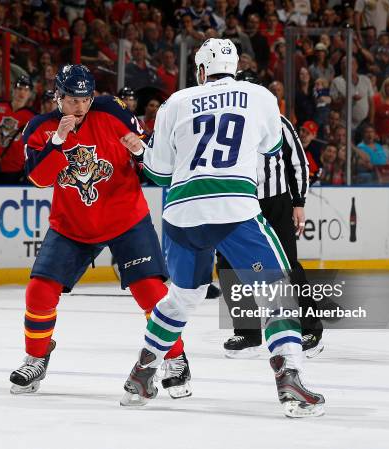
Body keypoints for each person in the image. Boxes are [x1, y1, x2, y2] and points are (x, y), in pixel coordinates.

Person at [121, 39, 324, 418]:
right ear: (235, 67)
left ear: (200, 71)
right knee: (276, 288)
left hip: (181, 214)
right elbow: (270, 147)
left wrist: (139, 151)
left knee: (183, 297)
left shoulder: (175, 102)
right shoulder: (259, 96)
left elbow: (159, 173)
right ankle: (290, 378)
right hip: (233, 207)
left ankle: (142, 372)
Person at [9, 64, 191, 400]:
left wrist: (140, 149)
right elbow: (39, 178)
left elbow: (150, 157)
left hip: (126, 218)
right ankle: (36, 356)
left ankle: (176, 357)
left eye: (85, 99)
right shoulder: (39, 128)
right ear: (57, 97)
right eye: (72, 100)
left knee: (149, 291)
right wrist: (59, 142)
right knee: (38, 290)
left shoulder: (110, 110)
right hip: (71, 225)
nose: (80, 107)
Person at [217, 71, 323, 360]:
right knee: (229, 266)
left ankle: (309, 327)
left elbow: (298, 164)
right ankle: (247, 332)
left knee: (287, 265)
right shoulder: (224, 122)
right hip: (236, 201)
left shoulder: (278, 122)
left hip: (275, 202)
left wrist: (298, 201)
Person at [0, 76, 36, 184]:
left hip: (16, 169)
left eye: (26, 90)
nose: (22, 92)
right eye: (19, 88)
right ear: (13, 90)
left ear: (30, 94)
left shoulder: (32, 117)